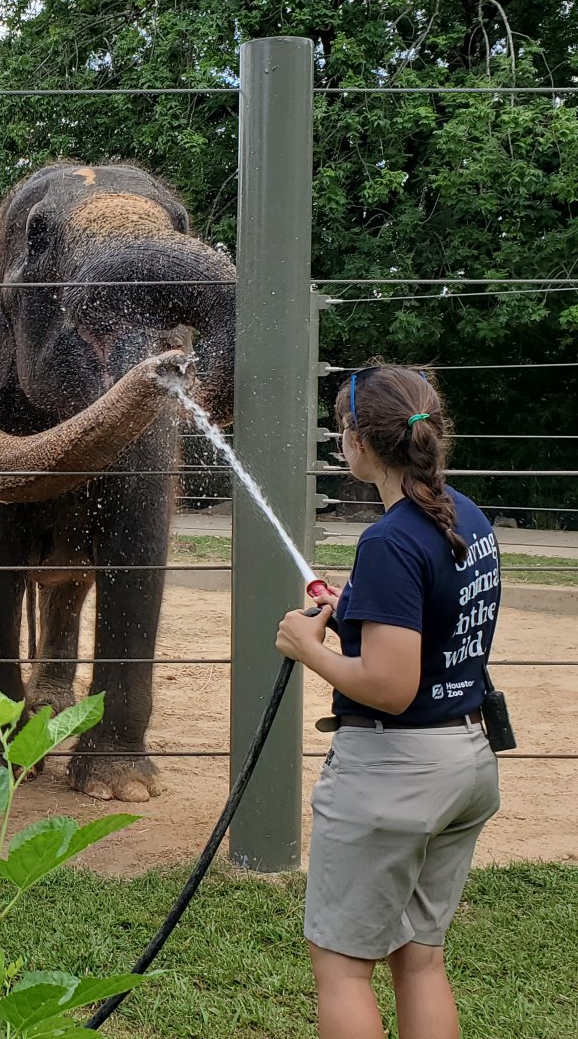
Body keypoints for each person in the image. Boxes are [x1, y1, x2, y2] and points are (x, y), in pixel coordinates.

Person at [275, 363, 502, 1039]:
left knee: (342, 967)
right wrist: (361, 611)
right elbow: (436, 626)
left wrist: (307, 648)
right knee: (420, 958)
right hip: (466, 763)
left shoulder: (388, 539)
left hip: (396, 779)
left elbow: (391, 688)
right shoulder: (468, 515)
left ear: (356, 442)